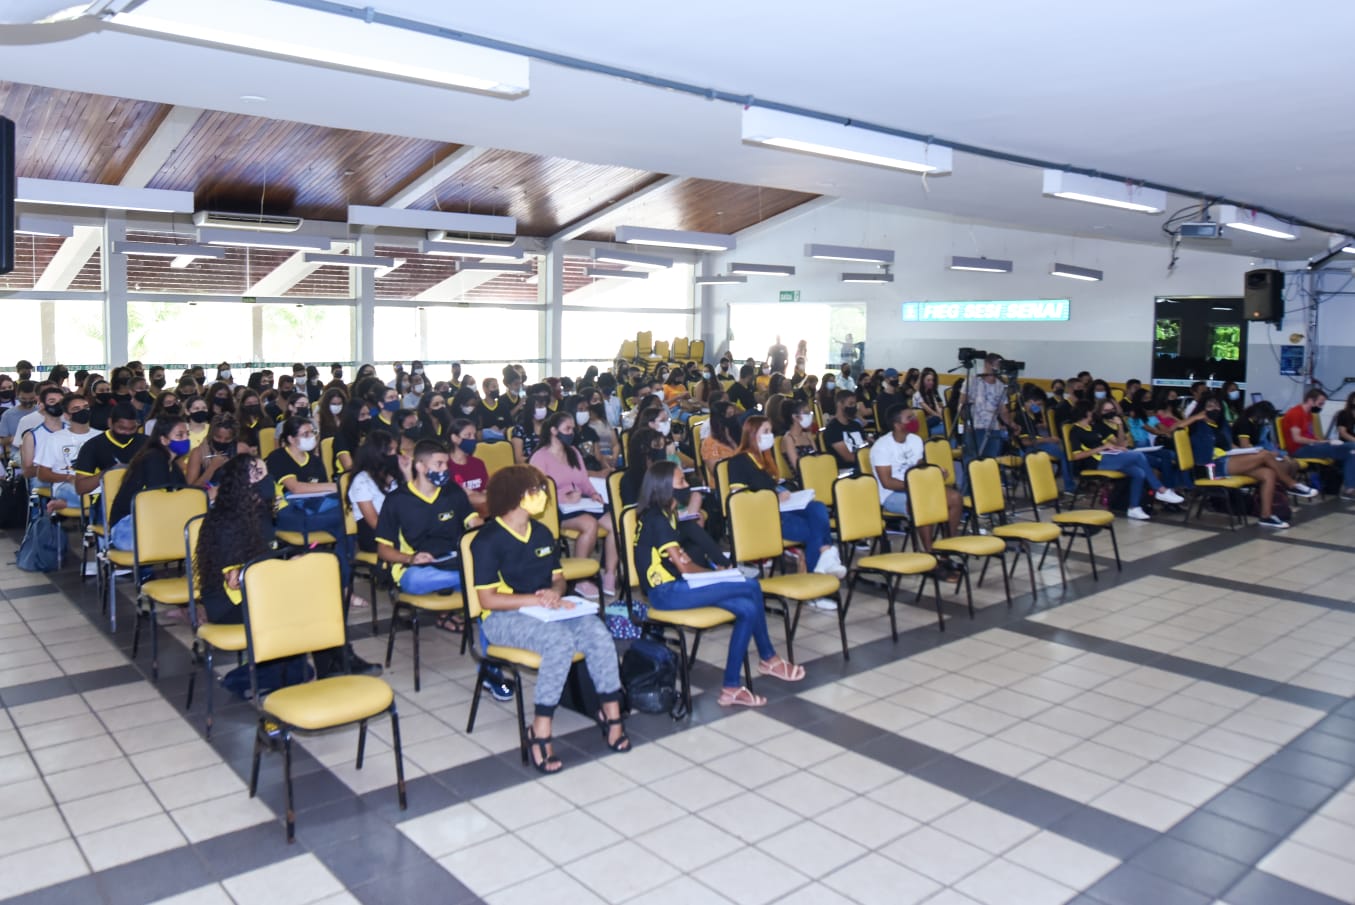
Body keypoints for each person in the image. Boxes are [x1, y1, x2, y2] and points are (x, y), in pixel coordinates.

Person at [471, 465, 629, 773]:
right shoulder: (487, 540)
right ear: (515, 497)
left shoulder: (542, 532)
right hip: (503, 617)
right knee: (559, 643)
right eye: (536, 490)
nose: (543, 496)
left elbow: (558, 578)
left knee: (597, 631)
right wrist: (537, 599)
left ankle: (611, 713)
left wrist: (554, 592)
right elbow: (487, 599)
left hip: (544, 608)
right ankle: (540, 729)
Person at [636, 460, 804, 707]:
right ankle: (769, 658)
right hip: (667, 593)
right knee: (751, 586)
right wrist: (711, 574)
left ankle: (731, 688)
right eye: (681, 482)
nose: (687, 486)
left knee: (747, 609)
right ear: (664, 489)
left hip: (677, 586)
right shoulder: (657, 520)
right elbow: (684, 566)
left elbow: (682, 560)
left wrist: (699, 569)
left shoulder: (664, 514)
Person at [727, 416, 845, 590]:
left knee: (817, 507)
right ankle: (821, 567)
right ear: (752, 434)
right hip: (762, 516)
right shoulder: (738, 461)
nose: (770, 435)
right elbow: (739, 498)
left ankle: (823, 560)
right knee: (815, 530)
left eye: (770, 431)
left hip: (781, 509)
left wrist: (782, 494)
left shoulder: (765, 458)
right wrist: (773, 497)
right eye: (765, 431)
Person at [529, 413, 618, 599]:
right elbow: (540, 490)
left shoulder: (573, 452)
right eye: (567, 429)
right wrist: (564, 498)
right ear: (554, 431)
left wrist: (593, 493)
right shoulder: (540, 457)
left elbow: (583, 480)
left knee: (615, 524)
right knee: (589, 524)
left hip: (581, 502)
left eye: (572, 429)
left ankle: (609, 573)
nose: (572, 433)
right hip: (556, 509)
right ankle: (581, 579)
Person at [1191, 396, 1315, 528]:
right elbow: (1177, 429)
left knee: (1268, 474)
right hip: (1213, 466)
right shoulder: (1198, 426)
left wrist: (1242, 452)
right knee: (1264, 455)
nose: (1214, 409)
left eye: (1217, 406)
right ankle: (1292, 484)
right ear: (1202, 409)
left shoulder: (1222, 425)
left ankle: (1266, 516)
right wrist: (1195, 418)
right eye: (1210, 406)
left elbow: (1229, 446)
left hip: (1227, 458)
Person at [266, 416, 355, 590]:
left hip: (316, 511)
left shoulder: (314, 460)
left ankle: (340, 585)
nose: (311, 437)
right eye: (305, 433)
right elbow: (296, 488)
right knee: (346, 520)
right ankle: (342, 587)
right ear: (291, 439)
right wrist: (335, 485)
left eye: (312, 432)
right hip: (287, 513)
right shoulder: (279, 457)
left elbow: (322, 491)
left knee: (346, 523)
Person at [870, 406, 963, 559]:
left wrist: (934, 472)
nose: (915, 421)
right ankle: (929, 554)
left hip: (918, 487)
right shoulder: (881, 447)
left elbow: (920, 466)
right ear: (897, 425)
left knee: (955, 498)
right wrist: (916, 485)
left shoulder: (915, 440)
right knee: (924, 503)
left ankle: (946, 548)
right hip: (892, 494)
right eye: (909, 418)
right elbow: (887, 482)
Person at [1067, 402, 1184, 520]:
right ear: (1086, 413)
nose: (1092, 413)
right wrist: (1100, 448)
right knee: (1138, 456)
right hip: (1094, 462)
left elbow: (1110, 443)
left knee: (1139, 473)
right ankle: (1160, 489)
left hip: (1106, 457)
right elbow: (1076, 456)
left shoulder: (1093, 428)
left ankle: (1134, 508)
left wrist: (1117, 448)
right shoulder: (1075, 431)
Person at [107, 417, 190, 551]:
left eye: (187, 434)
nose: (185, 439)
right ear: (163, 440)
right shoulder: (153, 458)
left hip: (150, 521)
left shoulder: (173, 465)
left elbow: (184, 494)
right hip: (126, 527)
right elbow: (159, 500)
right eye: (180, 435)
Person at [1282, 388, 1355, 499]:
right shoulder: (1295, 413)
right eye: (1320, 403)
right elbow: (1297, 439)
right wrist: (1320, 442)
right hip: (1300, 450)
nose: (1321, 407)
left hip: (1311, 446)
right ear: (1310, 400)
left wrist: (1325, 442)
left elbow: (1311, 436)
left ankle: (1350, 489)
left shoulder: (1308, 415)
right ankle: (1349, 488)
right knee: (1351, 448)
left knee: (1351, 452)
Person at [35, 393, 96, 514]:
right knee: (97, 497)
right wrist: (68, 478)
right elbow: (42, 474)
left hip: (95, 482)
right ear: (67, 416)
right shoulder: (55, 439)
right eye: (76, 409)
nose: (82, 411)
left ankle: (67, 503)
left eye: (85, 407)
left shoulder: (100, 435)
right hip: (65, 484)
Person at [73, 404, 147, 497]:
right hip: (106, 498)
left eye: (132, 429)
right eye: (122, 428)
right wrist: (107, 472)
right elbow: (80, 488)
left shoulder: (147, 443)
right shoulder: (93, 446)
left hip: (142, 498)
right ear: (110, 423)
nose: (127, 433)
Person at [1014, 386, 1074, 493]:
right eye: (1039, 404)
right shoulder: (1021, 416)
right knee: (1065, 453)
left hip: (1038, 444)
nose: (1040, 407)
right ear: (1030, 401)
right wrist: (1048, 440)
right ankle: (1069, 486)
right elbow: (1025, 441)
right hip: (1029, 448)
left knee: (1066, 448)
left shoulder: (1032, 415)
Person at [962, 354, 1015, 459]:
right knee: (972, 462)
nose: (997, 368)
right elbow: (962, 404)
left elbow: (1003, 411)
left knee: (990, 461)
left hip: (993, 429)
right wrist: (967, 423)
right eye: (996, 365)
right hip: (975, 428)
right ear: (987, 364)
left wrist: (1012, 424)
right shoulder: (973, 381)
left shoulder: (1000, 386)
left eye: (1000, 366)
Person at [446, 418, 489, 513]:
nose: (473, 439)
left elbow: (486, 490)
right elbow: (456, 498)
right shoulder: (445, 466)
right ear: (454, 438)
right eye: (468, 435)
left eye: (474, 435)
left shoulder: (478, 463)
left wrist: (475, 495)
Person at [822, 390, 868, 471]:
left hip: (863, 465)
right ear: (840, 405)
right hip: (847, 470)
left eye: (854, 404)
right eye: (850, 404)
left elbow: (865, 446)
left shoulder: (856, 425)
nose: (853, 407)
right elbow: (848, 457)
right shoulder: (832, 429)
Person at [511, 384, 553, 463]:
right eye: (537, 406)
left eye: (543, 405)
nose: (541, 408)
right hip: (530, 470)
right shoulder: (520, 429)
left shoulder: (551, 427)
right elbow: (519, 459)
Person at [781, 398, 819, 477]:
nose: (809, 416)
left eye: (809, 413)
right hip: (803, 478)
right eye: (806, 413)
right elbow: (798, 467)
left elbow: (817, 457)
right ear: (795, 417)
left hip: (816, 473)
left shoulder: (808, 435)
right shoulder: (789, 439)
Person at [913, 368, 946, 437]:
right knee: (937, 419)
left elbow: (937, 408)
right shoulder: (917, 395)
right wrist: (941, 418)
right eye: (928, 380)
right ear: (923, 381)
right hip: (922, 421)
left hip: (932, 419)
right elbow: (930, 411)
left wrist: (943, 417)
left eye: (932, 380)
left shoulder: (931, 393)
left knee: (946, 421)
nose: (931, 382)